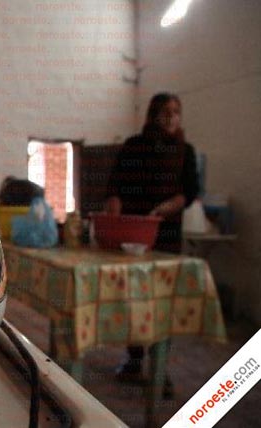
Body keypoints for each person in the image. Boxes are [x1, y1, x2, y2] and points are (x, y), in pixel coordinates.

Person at [105, 92, 199, 397]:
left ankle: (160, 368)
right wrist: (115, 213)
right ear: (153, 115)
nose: (171, 116)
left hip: (167, 237)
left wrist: (165, 209)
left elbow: (189, 192)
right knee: (134, 298)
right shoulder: (135, 145)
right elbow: (115, 185)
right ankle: (133, 358)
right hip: (134, 234)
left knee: (163, 303)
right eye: (165, 111)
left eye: (176, 111)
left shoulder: (186, 151)